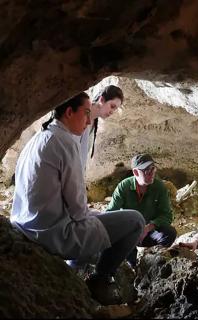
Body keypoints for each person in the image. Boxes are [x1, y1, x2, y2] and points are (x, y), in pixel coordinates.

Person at [10, 92, 145, 305]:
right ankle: (100, 280)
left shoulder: (39, 137)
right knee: (135, 221)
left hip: (24, 224)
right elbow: (78, 208)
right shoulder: (64, 142)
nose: (89, 121)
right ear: (69, 112)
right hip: (52, 234)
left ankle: (76, 270)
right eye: (86, 113)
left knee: (98, 224)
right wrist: (98, 218)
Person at [106, 153, 177, 268]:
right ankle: (131, 264)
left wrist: (148, 227)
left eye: (153, 169)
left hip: (149, 233)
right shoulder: (124, 187)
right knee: (117, 235)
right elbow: (110, 213)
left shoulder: (159, 187)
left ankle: (155, 259)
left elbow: (167, 215)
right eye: (146, 170)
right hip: (129, 233)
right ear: (135, 172)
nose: (151, 173)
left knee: (169, 233)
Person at [80, 85, 123, 173]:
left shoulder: (93, 122)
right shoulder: (80, 116)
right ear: (102, 100)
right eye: (112, 106)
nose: (112, 112)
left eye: (115, 109)